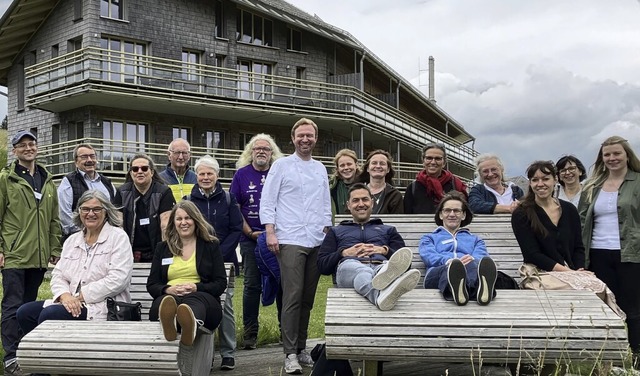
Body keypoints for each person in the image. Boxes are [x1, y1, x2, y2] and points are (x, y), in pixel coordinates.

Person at [260, 117, 332, 374]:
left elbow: (325, 202)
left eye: (309, 135)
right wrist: (270, 231)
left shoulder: (320, 167)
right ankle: (289, 352)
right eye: (300, 135)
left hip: (316, 239)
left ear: (315, 139)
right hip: (289, 237)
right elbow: (268, 200)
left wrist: (326, 227)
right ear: (292, 138)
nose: (305, 139)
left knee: (307, 298)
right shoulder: (281, 166)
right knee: (292, 294)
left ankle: (301, 347)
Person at [16, 190, 133, 338]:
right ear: (79, 212)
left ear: (106, 212)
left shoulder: (118, 237)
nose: (90, 213)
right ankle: (38, 355)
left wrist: (79, 297)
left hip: (104, 306)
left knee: (50, 315)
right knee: (25, 312)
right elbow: (59, 275)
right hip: (70, 302)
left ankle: (50, 356)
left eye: (96, 209)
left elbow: (118, 279)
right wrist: (64, 296)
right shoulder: (72, 240)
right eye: (85, 209)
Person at [512, 161, 623, 313]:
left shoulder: (569, 209)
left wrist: (578, 270)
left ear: (555, 179)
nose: (540, 184)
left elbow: (578, 246)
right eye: (535, 180)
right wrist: (570, 273)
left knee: (595, 286)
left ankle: (604, 330)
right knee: (593, 287)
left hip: (571, 271)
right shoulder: (522, 213)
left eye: (545, 178)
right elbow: (532, 254)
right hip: (539, 273)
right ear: (530, 183)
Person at [0, 130, 62, 376]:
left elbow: (54, 219)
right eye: (22, 145)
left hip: (39, 256)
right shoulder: (6, 179)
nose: (28, 148)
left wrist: (54, 247)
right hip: (15, 254)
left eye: (31, 144)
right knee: (12, 305)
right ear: (14, 150)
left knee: (28, 307)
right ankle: (11, 356)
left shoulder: (48, 180)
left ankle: (27, 352)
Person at [579, 136, 640, 365]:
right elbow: (582, 219)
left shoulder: (638, 181)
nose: (612, 158)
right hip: (597, 253)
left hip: (631, 253)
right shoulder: (592, 186)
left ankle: (635, 357)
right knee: (605, 308)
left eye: (617, 154)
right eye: (607, 155)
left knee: (632, 308)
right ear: (601, 158)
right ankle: (609, 358)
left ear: (626, 156)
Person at [318, 183, 420, 310]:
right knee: (363, 271)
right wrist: (343, 253)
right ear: (348, 205)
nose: (361, 204)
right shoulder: (336, 231)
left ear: (372, 203)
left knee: (384, 268)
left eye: (365, 199)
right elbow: (322, 265)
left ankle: (385, 283)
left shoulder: (388, 230)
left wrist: (385, 251)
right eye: (355, 200)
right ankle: (379, 296)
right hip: (349, 267)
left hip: (380, 265)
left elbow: (405, 263)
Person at [147, 201, 227, 349]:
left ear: (195, 220)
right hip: (171, 295)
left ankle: (190, 323)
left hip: (202, 296)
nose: (184, 222)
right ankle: (171, 323)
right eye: (179, 219)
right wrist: (167, 289)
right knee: (166, 301)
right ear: (173, 223)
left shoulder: (210, 246)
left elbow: (220, 283)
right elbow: (152, 284)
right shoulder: (163, 248)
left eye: (188, 218)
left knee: (192, 302)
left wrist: (196, 287)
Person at [229, 133, 284, 351]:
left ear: (272, 154)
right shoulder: (241, 175)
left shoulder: (279, 174)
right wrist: (250, 232)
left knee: (283, 283)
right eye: (257, 148)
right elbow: (235, 207)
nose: (261, 151)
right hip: (251, 239)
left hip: (278, 239)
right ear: (250, 152)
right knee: (252, 285)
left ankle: (285, 331)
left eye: (266, 149)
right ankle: (250, 334)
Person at [187, 155, 242, 370]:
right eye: (202, 173)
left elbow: (236, 228)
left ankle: (228, 353)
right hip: (197, 263)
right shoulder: (189, 200)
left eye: (210, 173)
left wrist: (218, 253)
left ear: (217, 176)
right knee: (203, 306)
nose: (206, 177)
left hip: (225, 263)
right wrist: (204, 254)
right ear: (196, 176)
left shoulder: (228, 199)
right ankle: (205, 355)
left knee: (226, 307)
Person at [419, 191, 497, 306]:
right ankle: (473, 291)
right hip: (438, 273)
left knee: (473, 264)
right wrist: (449, 261)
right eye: (447, 210)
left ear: (463, 215)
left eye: (456, 211)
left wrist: (470, 260)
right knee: (452, 269)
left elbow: (482, 257)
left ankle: (466, 292)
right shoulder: (429, 238)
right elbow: (428, 256)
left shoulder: (476, 240)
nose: (451, 214)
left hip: (469, 270)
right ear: (441, 215)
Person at [115, 154, 175, 262]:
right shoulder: (121, 192)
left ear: (151, 172)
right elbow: (117, 224)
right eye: (135, 169)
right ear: (131, 173)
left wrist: (165, 254)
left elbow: (166, 225)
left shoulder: (164, 192)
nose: (139, 171)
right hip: (128, 253)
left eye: (144, 168)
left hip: (156, 252)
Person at [57, 144, 117, 240]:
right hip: (79, 239)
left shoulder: (107, 182)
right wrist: (85, 234)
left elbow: (115, 210)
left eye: (92, 156)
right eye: (84, 157)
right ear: (76, 162)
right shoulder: (68, 182)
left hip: (107, 239)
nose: (89, 160)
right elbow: (64, 215)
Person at [404, 142, 468, 214]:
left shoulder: (456, 185)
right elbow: (407, 213)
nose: (433, 162)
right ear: (423, 161)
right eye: (429, 158)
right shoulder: (413, 187)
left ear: (444, 163)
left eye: (438, 158)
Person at [357, 149, 403, 214]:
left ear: (388, 169)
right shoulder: (356, 192)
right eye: (374, 163)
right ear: (367, 168)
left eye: (382, 163)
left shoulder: (394, 195)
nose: (378, 166)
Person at [159, 138, 197, 202]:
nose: (181, 157)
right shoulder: (160, 179)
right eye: (177, 153)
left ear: (189, 155)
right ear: (169, 155)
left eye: (184, 153)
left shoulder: (196, 178)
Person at [329, 149, 361, 215]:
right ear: (337, 168)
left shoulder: (365, 184)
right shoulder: (332, 188)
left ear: (356, 165)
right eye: (342, 165)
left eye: (349, 164)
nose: (346, 168)